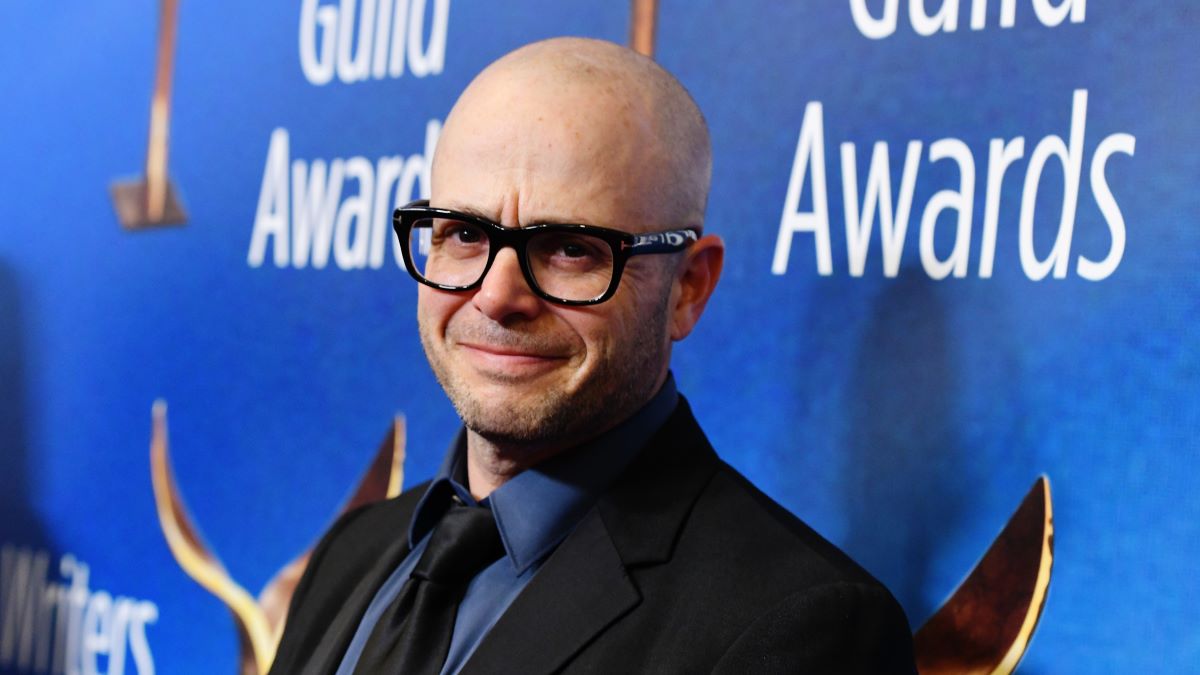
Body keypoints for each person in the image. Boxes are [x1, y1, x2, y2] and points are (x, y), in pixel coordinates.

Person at [269, 37, 916, 674]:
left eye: (570, 248)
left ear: (689, 286)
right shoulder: (349, 555)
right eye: (464, 234)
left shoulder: (802, 629)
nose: (496, 296)